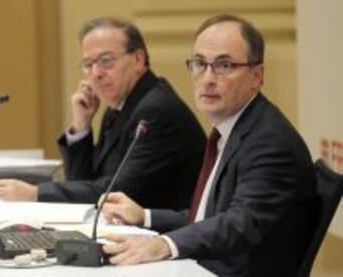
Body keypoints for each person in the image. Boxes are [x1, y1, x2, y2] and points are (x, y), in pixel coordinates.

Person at [99, 15, 318, 276]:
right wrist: (145, 216)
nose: (208, 78)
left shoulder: (269, 142)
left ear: (257, 76)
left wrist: (163, 244)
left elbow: (240, 224)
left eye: (224, 65)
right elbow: (210, 216)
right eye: (200, 64)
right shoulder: (235, 127)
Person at [0, 17, 206, 210]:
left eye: (106, 61)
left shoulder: (156, 111)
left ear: (138, 60)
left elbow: (115, 192)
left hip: (169, 239)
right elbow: (84, 183)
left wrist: (36, 193)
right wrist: (81, 127)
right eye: (88, 64)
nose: (96, 74)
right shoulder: (120, 105)